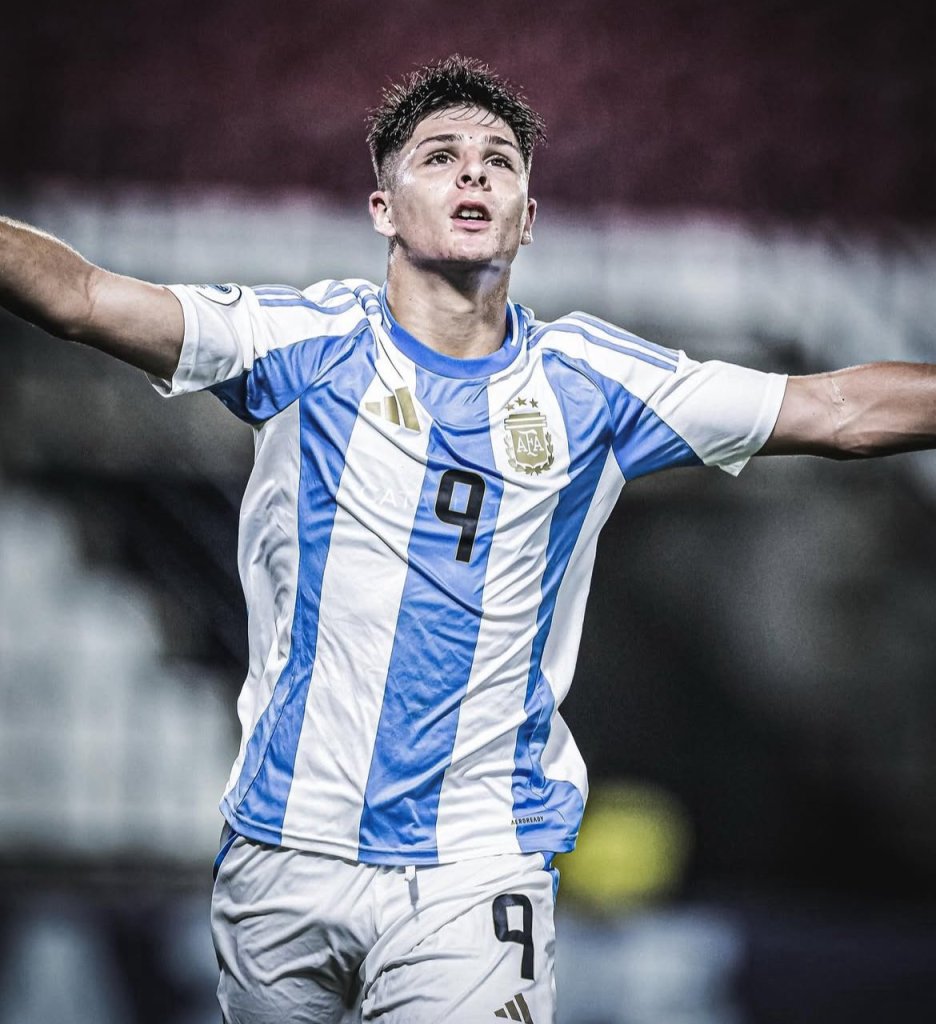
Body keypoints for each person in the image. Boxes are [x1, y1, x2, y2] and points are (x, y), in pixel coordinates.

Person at [1, 54, 934, 1024]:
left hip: (475, 866)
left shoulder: (593, 383)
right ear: (382, 208)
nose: (474, 171)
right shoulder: (300, 342)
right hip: (282, 850)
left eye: (499, 160)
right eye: (440, 156)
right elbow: (82, 299)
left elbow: (835, 411)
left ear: (528, 219)